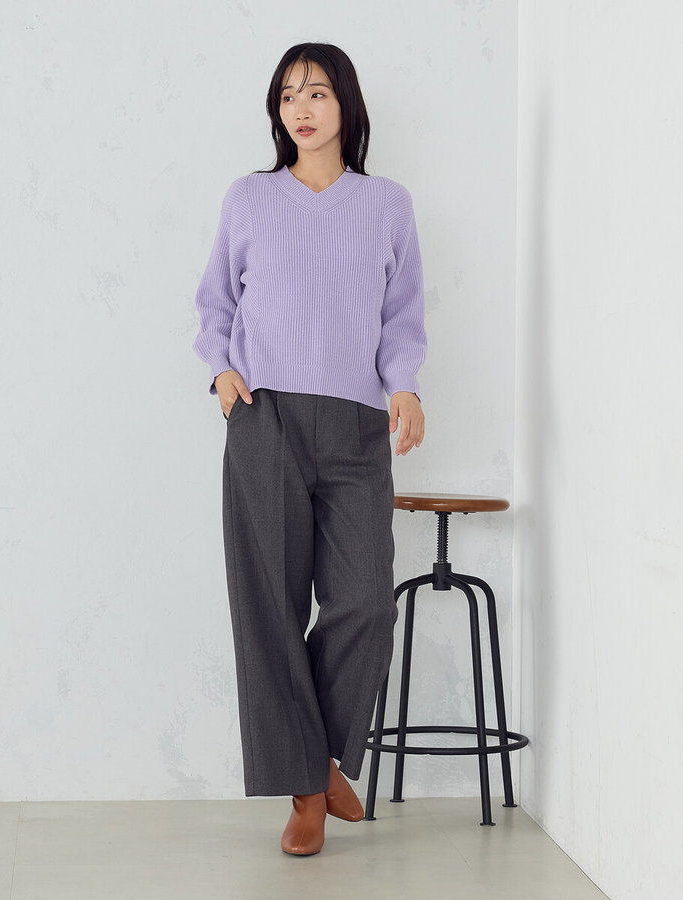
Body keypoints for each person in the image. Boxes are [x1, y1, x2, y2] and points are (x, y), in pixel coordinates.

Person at [191, 42, 428, 856]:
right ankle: (307, 789)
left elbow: (401, 315)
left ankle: (318, 754)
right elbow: (215, 302)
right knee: (269, 604)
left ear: (346, 105)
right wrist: (222, 371)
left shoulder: (386, 203)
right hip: (264, 418)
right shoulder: (250, 197)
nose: (302, 107)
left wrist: (404, 386)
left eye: (318, 92)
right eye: (289, 94)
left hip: (357, 423)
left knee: (365, 600)